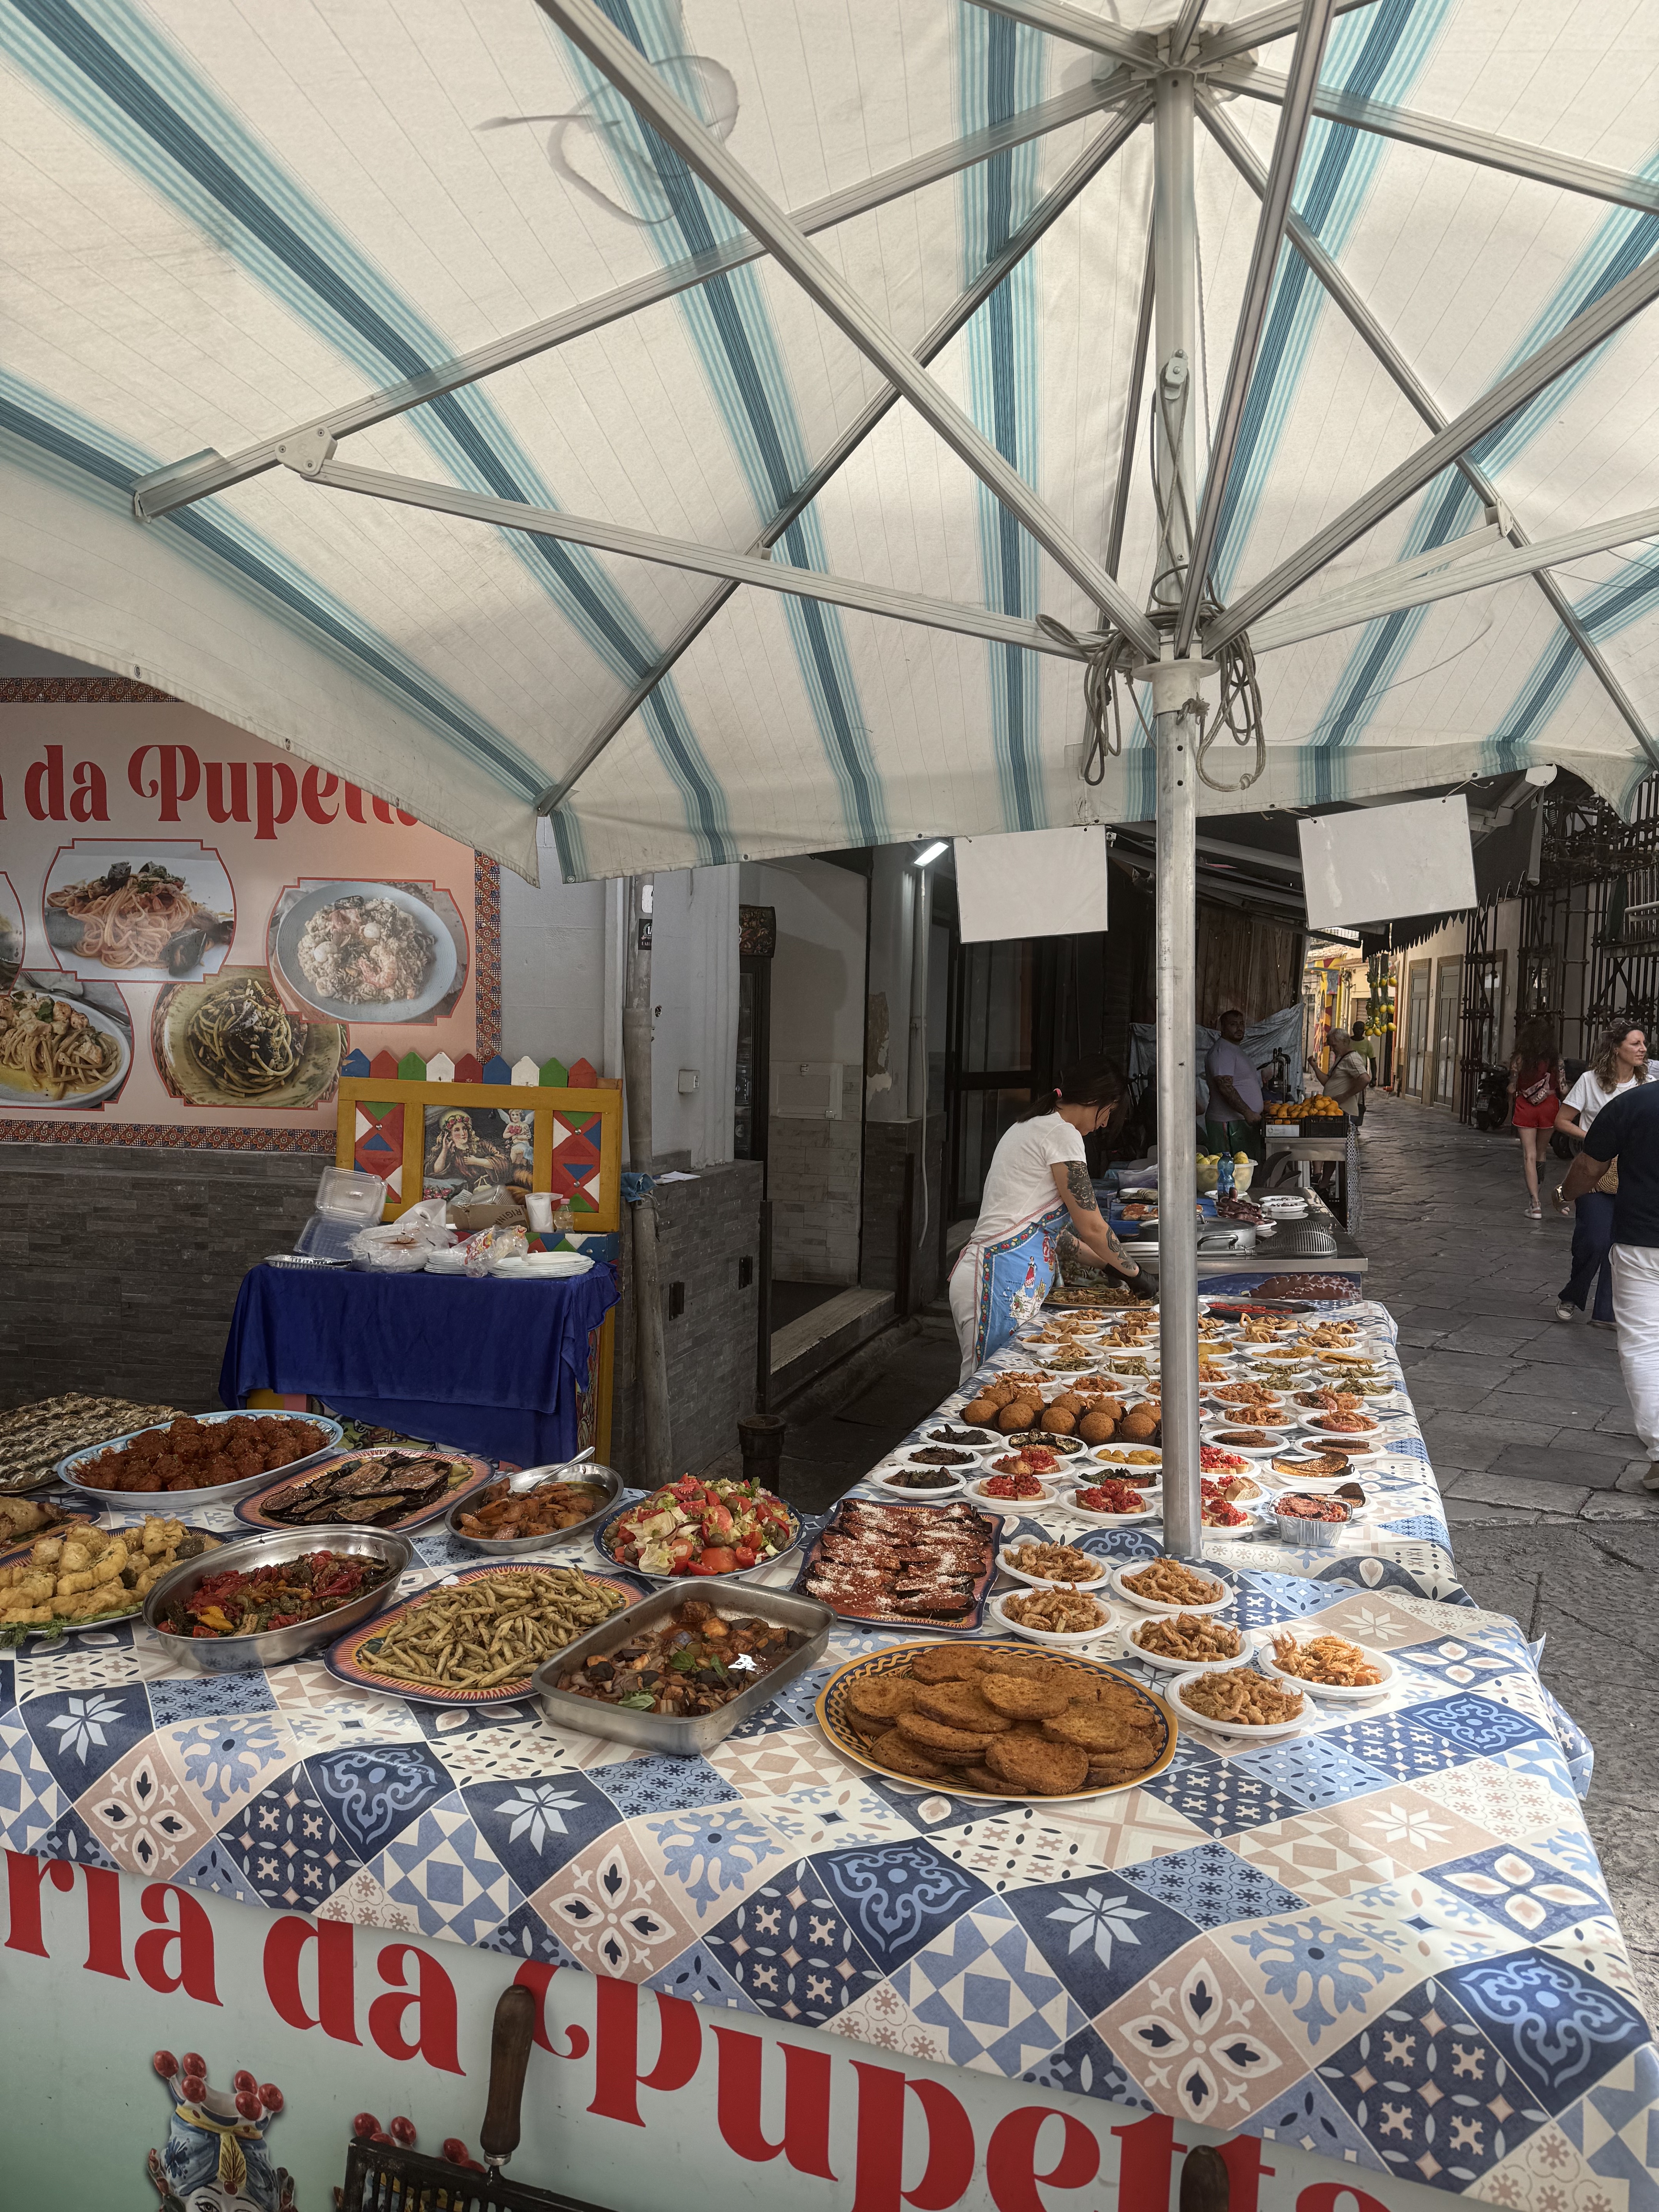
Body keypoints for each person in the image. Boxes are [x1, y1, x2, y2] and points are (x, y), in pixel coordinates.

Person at [948, 1057, 1142, 1384]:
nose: (1105, 1124)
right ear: (1096, 1100)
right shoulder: (1062, 1134)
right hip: (997, 1279)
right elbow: (1093, 1226)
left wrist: (1111, 1267)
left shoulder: (1036, 1125)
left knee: (1009, 1385)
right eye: (1109, 1112)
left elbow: (1053, 1237)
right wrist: (1137, 1274)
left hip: (1001, 1275)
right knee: (990, 1387)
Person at [1559, 1072, 1659, 1489]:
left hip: (1643, 1243)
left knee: (1643, 1345)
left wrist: (1565, 1194)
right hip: (1639, 1242)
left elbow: (1589, 1166)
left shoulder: (1635, 1103)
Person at [1553, 1021, 1648, 1324]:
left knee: (1620, 1244)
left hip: (1633, 1175)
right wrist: (1595, 1138)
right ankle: (1573, 1295)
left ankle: (1606, 1313)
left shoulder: (1647, 1084)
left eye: (1644, 1043)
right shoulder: (1590, 1081)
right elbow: (1562, 1121)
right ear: (1617, 1048)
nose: (1643, 1049)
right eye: (1635, 1043)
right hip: (1595, 1172)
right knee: (1594, 1240)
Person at [1506, 1013, 1568, 1219]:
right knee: (1542, 1153)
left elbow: (1512, 1087)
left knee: (1529, 1155)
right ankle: (1538, 1196)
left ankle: (1535, 1204)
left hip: (1526, 1106)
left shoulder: (1519, 1058)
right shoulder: (1556, 1059)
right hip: (1549, 1106)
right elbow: (1564, 1088)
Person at [1204, 1010, 1266, 1162]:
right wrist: (1247, 1112)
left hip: (1240, 1122)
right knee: (1230, 1170)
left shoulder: (1233, 1049)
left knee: (1244, 1169)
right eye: (1233, 1025)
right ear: (1223, 1028)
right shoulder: (1223, 1051)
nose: (1239, 1028)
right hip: (1228, 1123)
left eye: (1241, 1024)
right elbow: (1224, 1086)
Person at [1323, 1028, 1371, 1120]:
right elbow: (1327, 1082)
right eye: (1330, 1046)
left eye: (1334, 1045)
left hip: (1345, 1113)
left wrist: (1345, 1096)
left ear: (1344, 1042)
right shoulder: (1341, 1057)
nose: (1332, 1049)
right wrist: (1315, 1067)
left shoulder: (1352, 1058)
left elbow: (1365, 1079)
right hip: (1335, 1111)